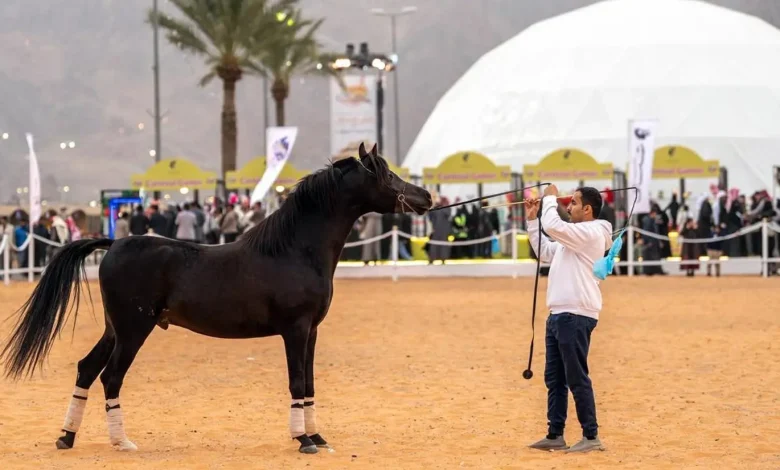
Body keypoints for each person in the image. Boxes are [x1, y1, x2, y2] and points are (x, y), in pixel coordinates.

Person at [525, 185, 612, 453]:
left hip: (575, 314)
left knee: (576, 377)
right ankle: (555, 434)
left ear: (587, 209)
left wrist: (550, 197)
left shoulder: (591, 232)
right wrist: (531, 220)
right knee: (555, 378)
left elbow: (552, 226)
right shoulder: (575, 237)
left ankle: (591, 435)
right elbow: (546, 251)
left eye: (573, 203)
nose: (568, 206)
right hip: (559, 314)